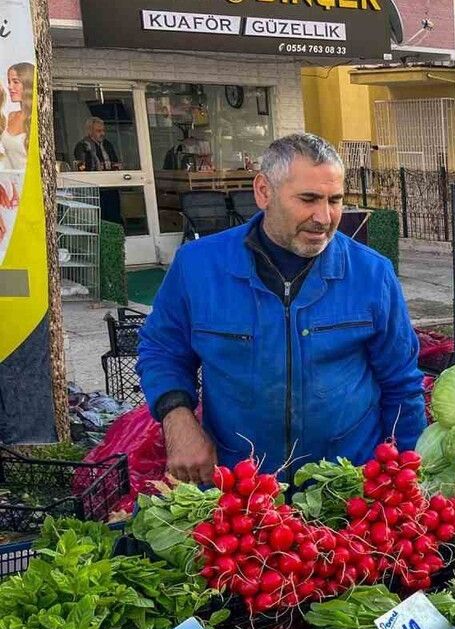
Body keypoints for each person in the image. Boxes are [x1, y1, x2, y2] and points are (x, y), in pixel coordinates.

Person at [138, 133, 425, 483]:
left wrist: (410, 478)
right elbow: (162, 350)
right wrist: (178, 419)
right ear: (263, 191)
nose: (324, 217)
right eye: (308, 199)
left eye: (335, 200)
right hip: (237, 491)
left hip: (346, 488)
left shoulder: (372, 273)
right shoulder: (197, 267)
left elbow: (402, 383)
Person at [1, 63, 32, 171]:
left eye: (15, 82)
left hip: (30, 183)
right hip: (9, 183)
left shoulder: (35, 120)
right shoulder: (10, 116)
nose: (10, 87)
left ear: (28, 84)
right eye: (9, 82)